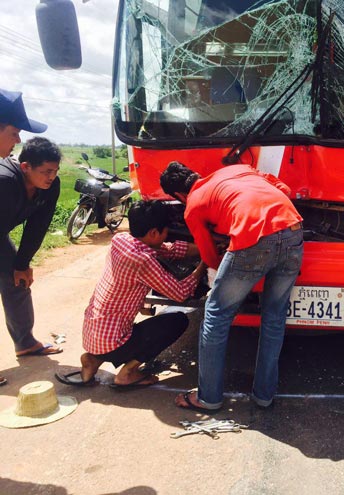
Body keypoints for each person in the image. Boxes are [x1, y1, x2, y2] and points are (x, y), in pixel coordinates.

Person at [160, 161, 303, 412]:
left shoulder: (192, 205)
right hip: (292, 229)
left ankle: (208, 398)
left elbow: (208, 256)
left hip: (253, 240)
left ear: (179, 195)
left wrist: (225, 266)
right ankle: (264, 395)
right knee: (274, 317)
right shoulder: (237, 169)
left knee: (216, 315)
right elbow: (285, 189)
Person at [55, 200, 206, 389]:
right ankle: (128, 373)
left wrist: (204, 246)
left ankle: (93, 359)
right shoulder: (143, 261)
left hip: (93, 336)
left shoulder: (121, 240)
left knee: (119, 332)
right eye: (165, 231)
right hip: (115, 342)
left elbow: (167, 249)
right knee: (177, 321)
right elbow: (180, 293)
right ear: (153, 233)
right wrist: (204, 263)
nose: (167, 235)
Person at [0, 90, 64, 384]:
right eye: (14, 132)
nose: (17, 140)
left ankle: (25, 342)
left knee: (17, 280)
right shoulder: (5, 181)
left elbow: (38, 225)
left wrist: (22, 262)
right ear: (26, 168)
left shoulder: (49, 186)